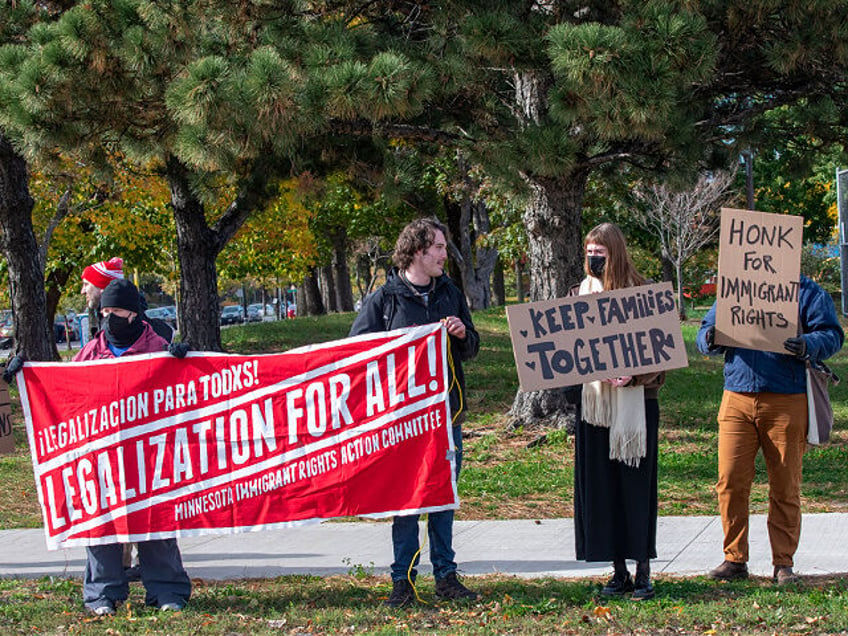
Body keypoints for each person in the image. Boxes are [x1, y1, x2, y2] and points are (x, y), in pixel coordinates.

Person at [349, 217, 480, 607]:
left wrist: (461, 334)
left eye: (443, 247)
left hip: (446, 417)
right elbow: (355, 353)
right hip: (403, 422)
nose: (444, 254)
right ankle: (403, 582)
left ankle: (446, 576)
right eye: (438, 247)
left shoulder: (450, 293)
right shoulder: (385, 299)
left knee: (443, 499)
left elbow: (471, 347)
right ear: (418, 251)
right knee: (406, 500)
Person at [697, 274, 843, 584]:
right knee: (730, 480)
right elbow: (704, 332)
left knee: (785, 484)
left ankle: (783, 563)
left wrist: (808, 344)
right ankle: (734, 559)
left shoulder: (807, 291)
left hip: (787, 398)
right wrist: (709, 338)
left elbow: (833, 334)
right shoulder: (736, 287)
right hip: (737, 396)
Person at [74, 278, 192, 615]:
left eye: (117, 310)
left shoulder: (158, 349)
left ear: (135, 314)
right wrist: (29, 375)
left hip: (151, 457)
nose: (109, 317)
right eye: (105, 310)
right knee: (102, 526)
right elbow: (67, 395)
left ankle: (167, 591)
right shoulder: (90, 353)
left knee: (156, 526)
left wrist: (182, 364)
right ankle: (102, 595)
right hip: (104, 457)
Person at [570, 223, 664, 601]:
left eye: (601, 254)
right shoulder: (576, 295)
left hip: (636, 406)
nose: (593, 260)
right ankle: (617, 570)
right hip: (595, 407)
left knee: (635, 489)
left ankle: (642, 569)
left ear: (616, 254)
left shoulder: (643, 293)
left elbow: (662, 351)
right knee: (603, 488)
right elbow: (569, 351)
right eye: (589, 252)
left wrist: (634, 374)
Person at [80, 257, 174, 344]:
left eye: (86, 284)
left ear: (102, 287)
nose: (82, 291)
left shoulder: (142, 329)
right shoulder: (103, 319)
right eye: (106, 311)